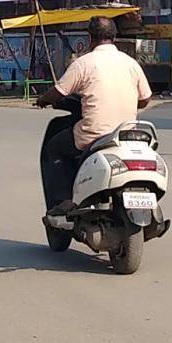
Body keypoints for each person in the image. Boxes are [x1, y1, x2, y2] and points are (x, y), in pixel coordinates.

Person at [34, 17, 151, 213]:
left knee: (54, 148)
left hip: (94, 134)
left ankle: (63, 201)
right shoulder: (131, 64)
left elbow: (59, 92)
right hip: (126, 134)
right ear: (114, 37)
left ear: (90, 38)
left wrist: (43, 100)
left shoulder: (83, 64)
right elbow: (145, 98)